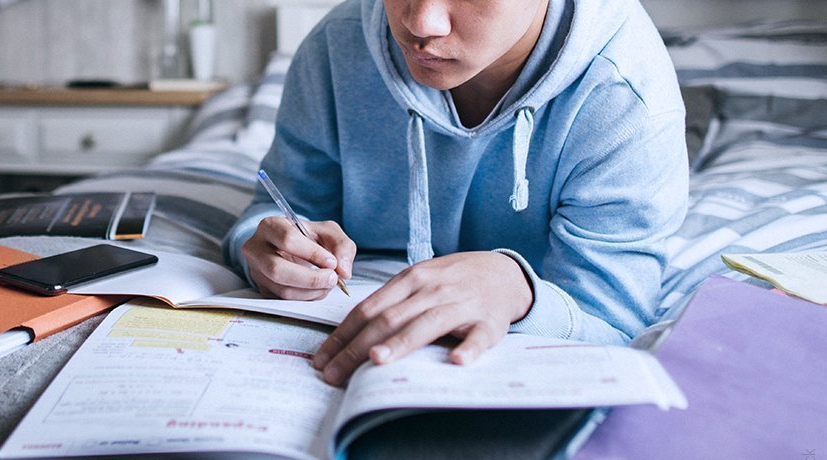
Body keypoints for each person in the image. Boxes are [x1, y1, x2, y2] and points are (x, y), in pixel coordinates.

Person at [223, 0, 688, 386]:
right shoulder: (335, 46)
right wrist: (265, 249)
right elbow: (277, 208)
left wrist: (520, 292)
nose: (422, 23)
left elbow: (615, 326)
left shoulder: (627, 95)